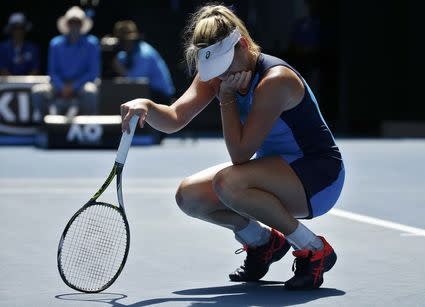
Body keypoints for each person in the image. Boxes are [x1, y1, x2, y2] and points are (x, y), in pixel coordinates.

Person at [120, 5, 345, 290]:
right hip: (276, 171)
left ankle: (314, 249)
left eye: (225, 64)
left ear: (242, 45)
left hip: (319, 178)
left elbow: (240, 155)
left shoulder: (275, 81)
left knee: (228, 183)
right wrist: (147, 106)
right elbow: (175, 119)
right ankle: (263, 242)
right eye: (215, 68)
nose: (221, 74)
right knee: (188, 196)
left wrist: (226, 98)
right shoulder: (219, 74)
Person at [31, 6, 100, 118]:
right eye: (71, 22)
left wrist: (74, 86)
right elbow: (52, 72)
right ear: (67, 24)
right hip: (58, 86)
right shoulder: (55, 43)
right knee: (38, 92)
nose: (74, 25)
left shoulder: (92, 43)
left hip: (82, 85)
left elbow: (93, 73)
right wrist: (62, 86)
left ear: (82, 25)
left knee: (90, 91)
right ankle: (45, 127)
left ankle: (86, 128)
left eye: (77, 22)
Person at [112, 20, 175, 103]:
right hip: (146, 94)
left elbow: (135, 82)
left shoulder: (144, 53)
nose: (123, 44)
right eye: (121, 41)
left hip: (161, 97)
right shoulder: (123, 55)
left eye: (125, 40)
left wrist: (119, 67)